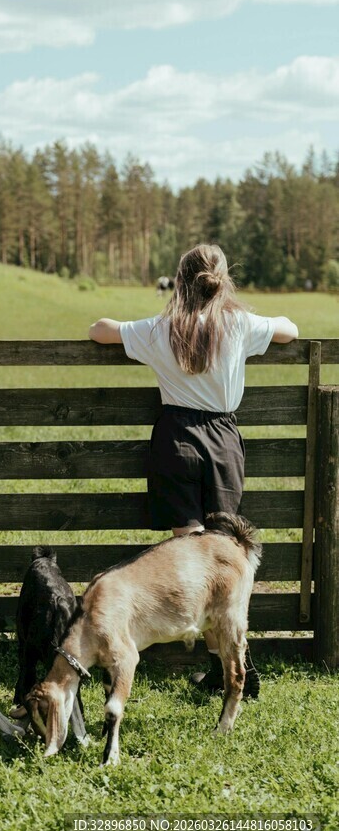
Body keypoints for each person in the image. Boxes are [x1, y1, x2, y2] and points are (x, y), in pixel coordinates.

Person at [88, 244, 299, 694]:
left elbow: (100, 330)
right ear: (222, 281)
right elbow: (290, 330)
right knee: (224, 556)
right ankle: (233, 658)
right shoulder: (239, 324)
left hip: (176, 439)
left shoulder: (163, 328)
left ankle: (214, 662)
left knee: (188, 555)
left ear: (180, 281)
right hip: (223, 442)